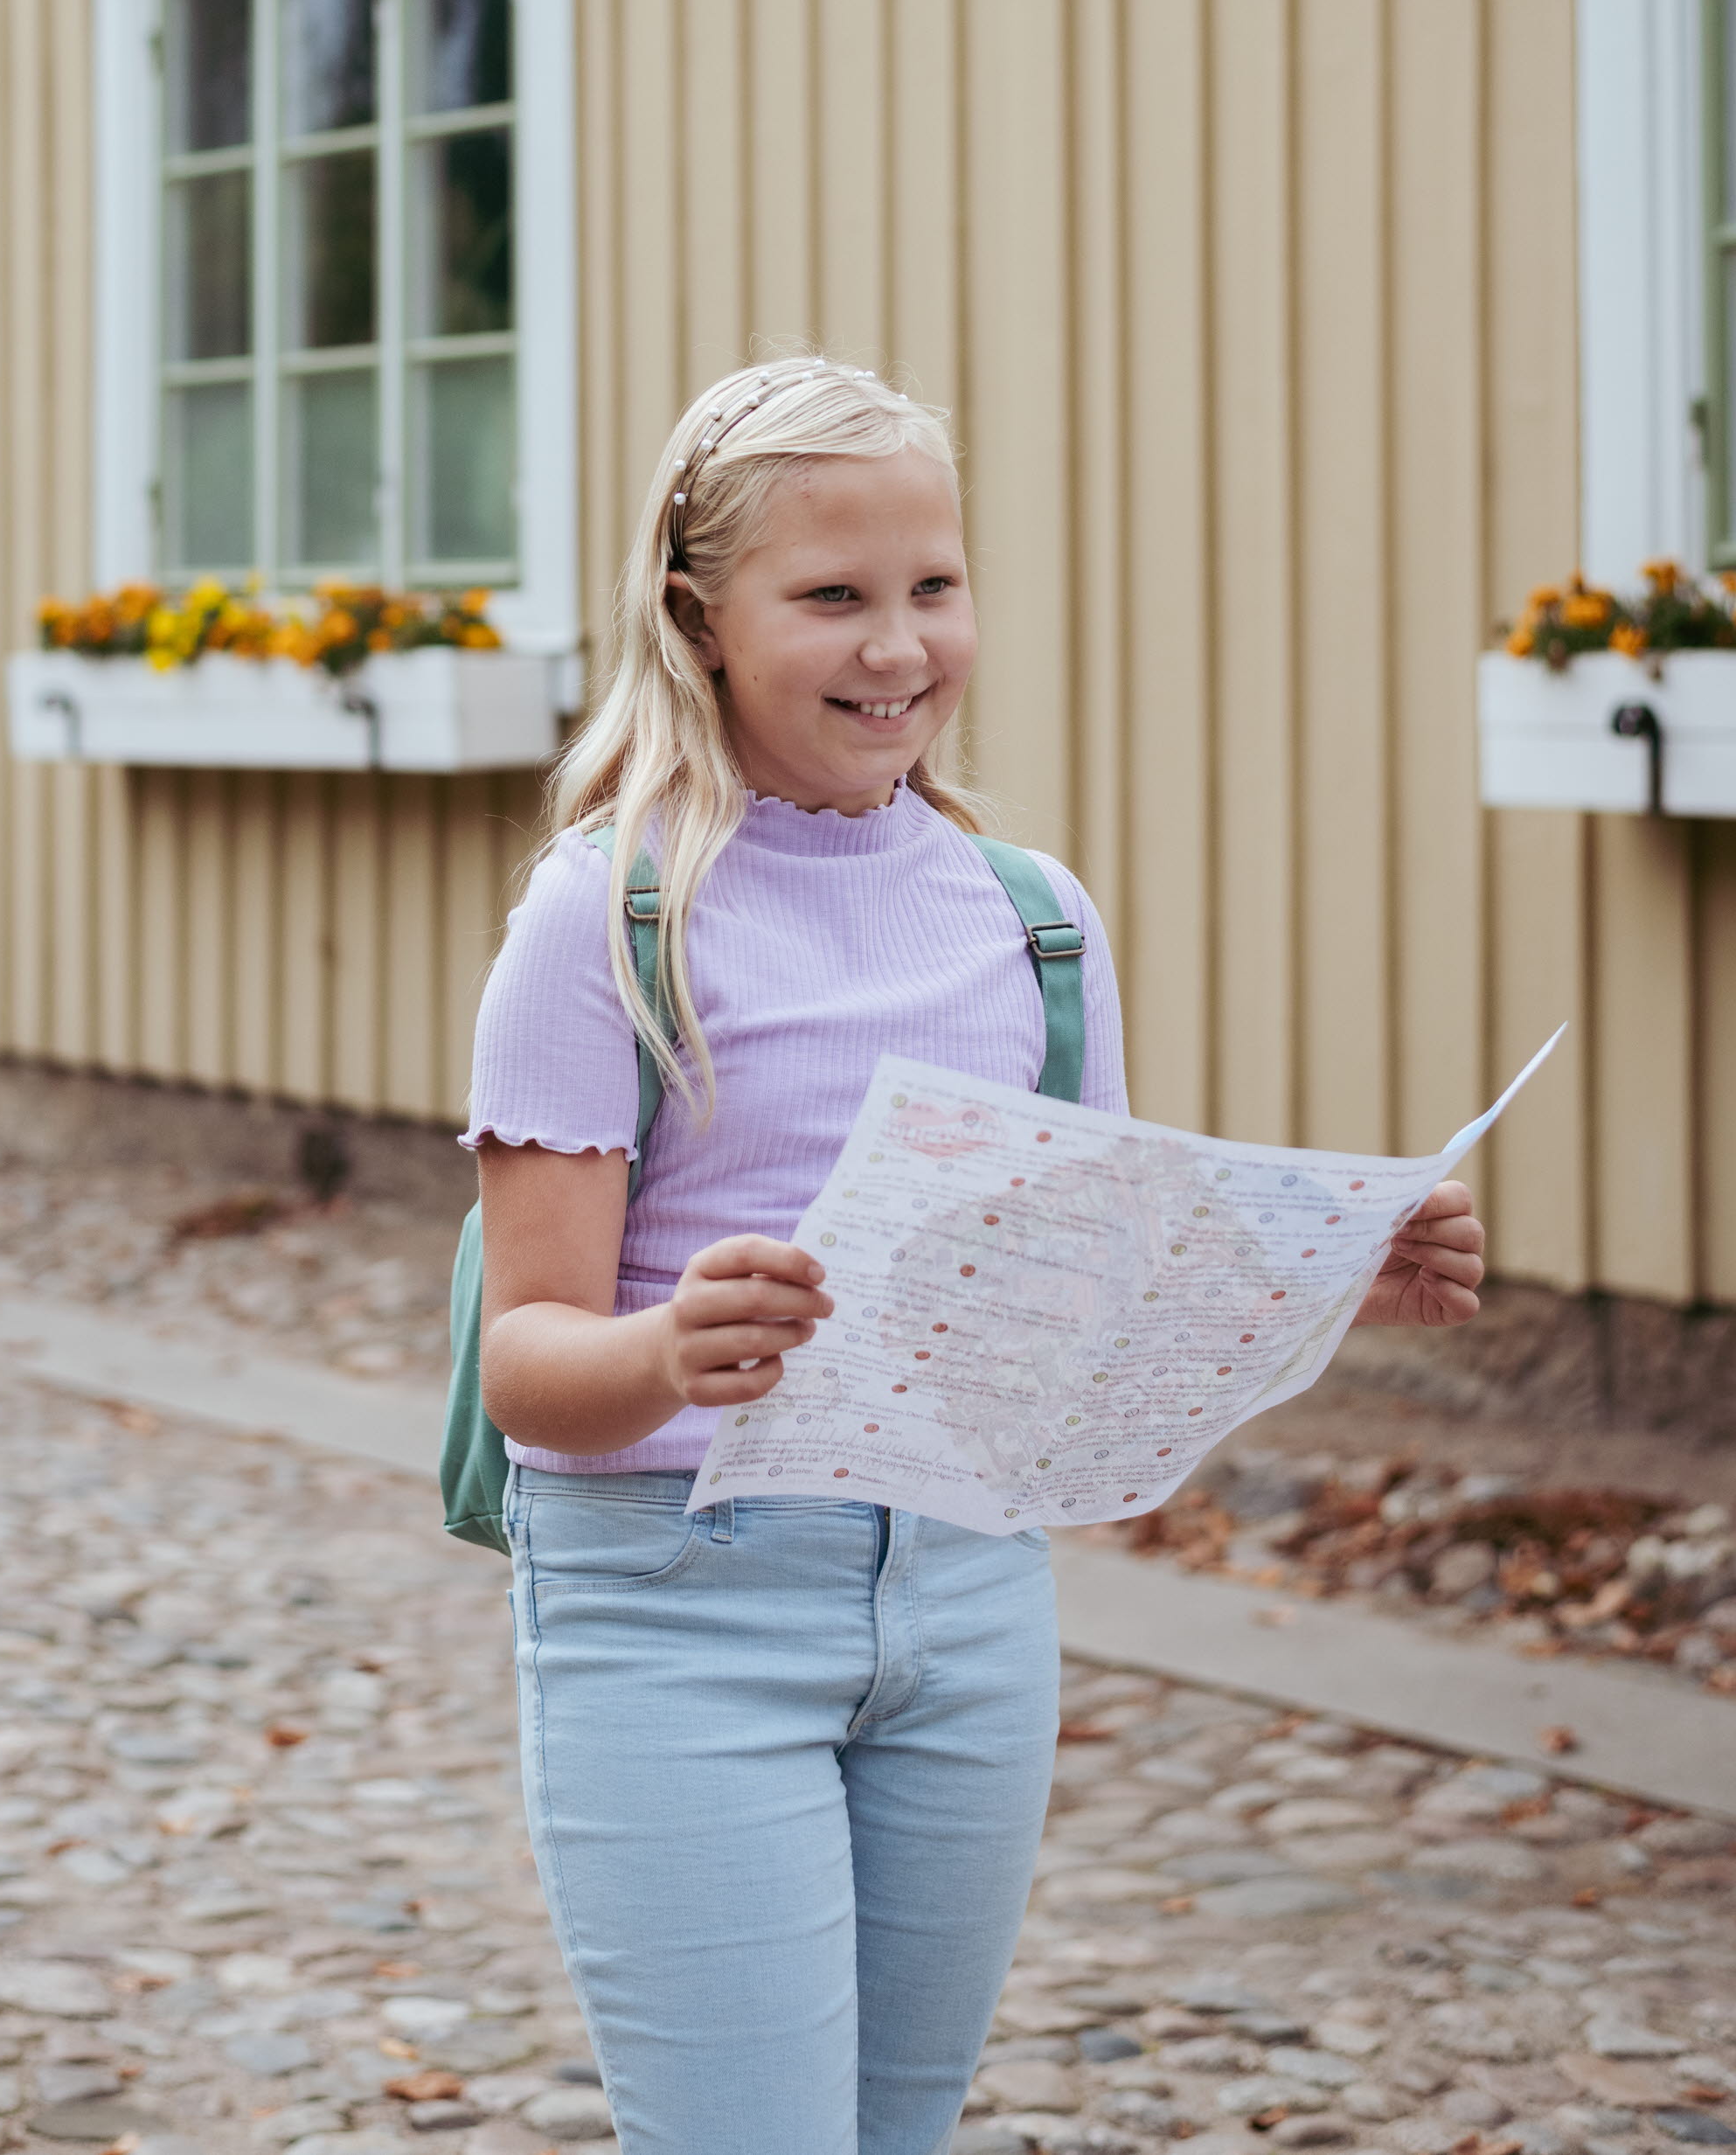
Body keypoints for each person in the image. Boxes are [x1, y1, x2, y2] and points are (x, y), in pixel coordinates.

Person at [463, 356, 1487, 2155]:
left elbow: (1083, 1293)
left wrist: (1330, 1267)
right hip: (675, 1609)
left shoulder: (1035, 918)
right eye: (832, 599)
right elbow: (531, 1359)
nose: (898, 648)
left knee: (896, 2132)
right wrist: (671, 1348)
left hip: (969, 1596)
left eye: (932, 588)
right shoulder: (606, 917)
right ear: (700, 620)